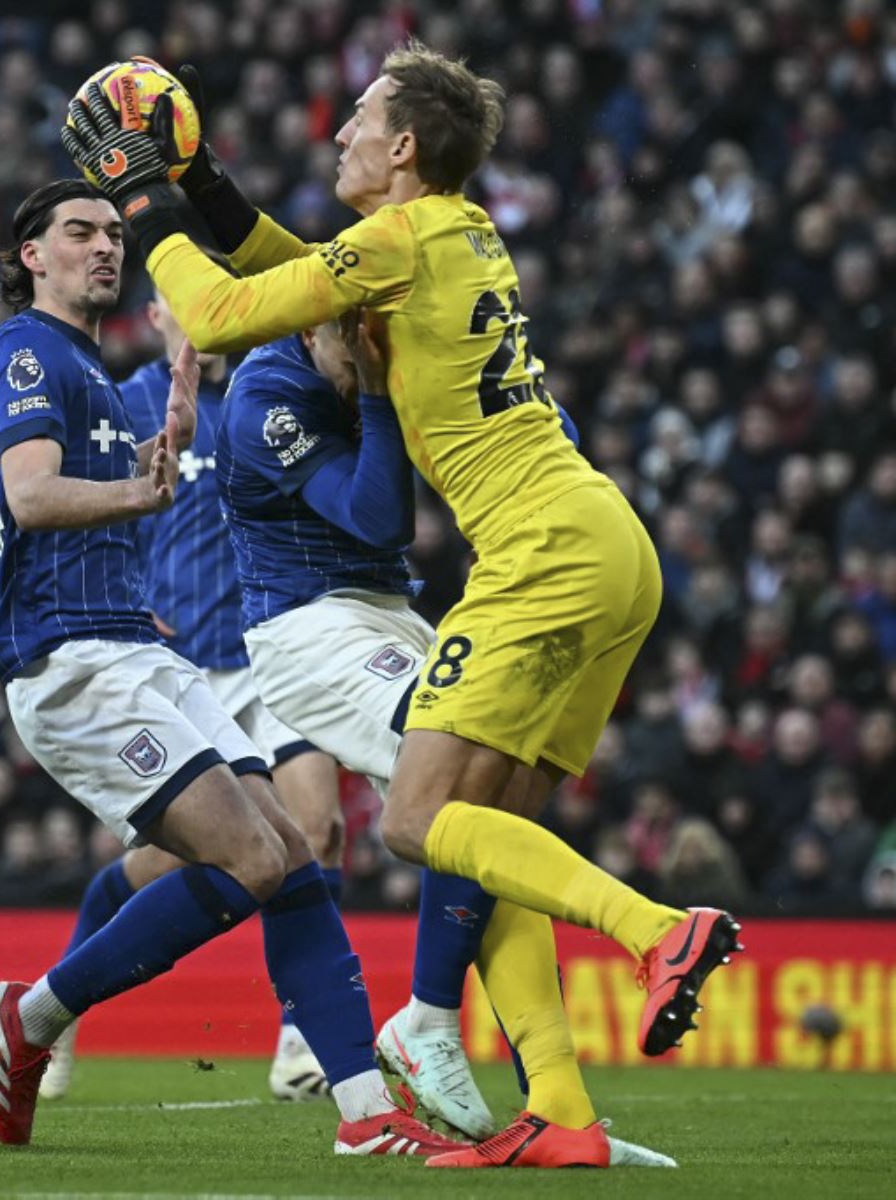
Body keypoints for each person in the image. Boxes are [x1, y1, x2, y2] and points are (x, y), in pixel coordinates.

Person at [62, 45, 740, 1168]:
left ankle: (657, 931)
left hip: (537, 550)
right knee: (489, 832)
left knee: (422, 822)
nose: (340, 136)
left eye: (361, 120)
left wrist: (144, 203)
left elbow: (230, 313)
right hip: (613, 544)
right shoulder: (455, 231)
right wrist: (205, 183)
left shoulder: (393, 240)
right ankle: (562, 1112)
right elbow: (299, 273)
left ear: (405, 147)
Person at [0, 178, 460, 1158]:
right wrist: (140, 493)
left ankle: (364, 1113)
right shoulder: (26, 350)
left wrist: (146, 500)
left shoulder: (91, 366)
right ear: (32, 256)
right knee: (255, 856)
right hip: (72, 665)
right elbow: (27, 499)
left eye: (115, 233)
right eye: (80, 234)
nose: (106, 248)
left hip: (140, 650)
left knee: (297, 862)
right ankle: (31, 1017)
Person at [217, 321, 672, 1166]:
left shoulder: (397, 351)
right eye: (356, 349)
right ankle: (452, 1009)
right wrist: (391, 399)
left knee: (488, 813)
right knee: (452, 791)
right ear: (321, 326)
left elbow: (546, 440)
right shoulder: (264, 397)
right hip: (310, 630)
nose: (367, 366)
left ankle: (556, 1102)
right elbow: (379, 520)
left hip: (386, 616)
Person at [39, 289, 338, 1106]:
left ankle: (301, 1046)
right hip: (183, 669)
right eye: (182, 303)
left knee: (320, 826)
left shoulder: (265, 395)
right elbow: (80, 510)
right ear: (157, 315)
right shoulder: (131, 399)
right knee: (165, 863)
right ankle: (59, 1008)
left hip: (270, 656)